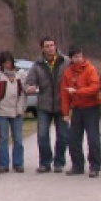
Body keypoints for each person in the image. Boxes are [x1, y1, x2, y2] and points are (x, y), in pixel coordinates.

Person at [27, 36, 69, 173]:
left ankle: (59, 162)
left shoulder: (65, 62)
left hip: (61, 104)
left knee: (62, 135)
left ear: (56, 46)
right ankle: (45, 162)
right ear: (42, 48)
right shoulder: (37, 64)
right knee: (43, 135)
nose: (50, 48)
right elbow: (29, 82)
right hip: (44, 104)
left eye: (52, 45)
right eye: (47, 46)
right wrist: (30, 87)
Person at [61, 48, 101, 178]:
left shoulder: (90, 69)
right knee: (73, 139)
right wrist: (66, 112)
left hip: (92, 107)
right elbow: (65, 94)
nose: (78, 59)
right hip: (77, 108)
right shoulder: (68, 73)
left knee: (93, 138)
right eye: (75, 57)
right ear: (71, 59)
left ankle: (95, 166)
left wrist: (78, 91)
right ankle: (77, 165)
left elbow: (95, 87)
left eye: (80, 56)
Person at [0, 51, 28, 174]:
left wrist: (21, 108)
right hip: (1, 111)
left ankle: (18, 163)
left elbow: (24, 91)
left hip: (17, 110)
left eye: (9, 62)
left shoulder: (20, 73)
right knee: (3, 138)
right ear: (1, 63)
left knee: (17, 139)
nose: (7, 65)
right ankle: (3, 164)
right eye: (5, 63)